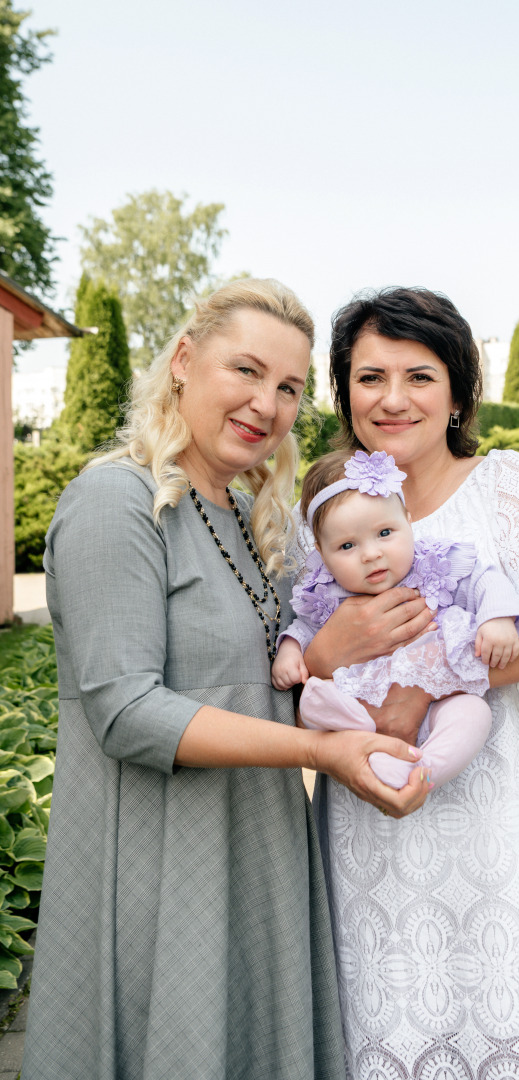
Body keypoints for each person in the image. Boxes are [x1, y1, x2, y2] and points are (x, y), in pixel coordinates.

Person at [21, 279, 431, 1080]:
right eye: (244, 370)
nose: (265, 404)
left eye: (287, 388)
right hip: (156, 868)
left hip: (255, 855)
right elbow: (128, 712)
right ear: (183, 360)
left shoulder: (252, 520)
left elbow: (252, 681)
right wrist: (326, 754)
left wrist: (330, 660)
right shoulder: (118, 501)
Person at [300, 287, 519, 1079]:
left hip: (514, 818)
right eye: (369, 378)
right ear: (343, 391)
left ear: (459, 390)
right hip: (376, 823)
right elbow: (297, 653)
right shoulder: (319, 508)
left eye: (419, 376)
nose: (393, 399)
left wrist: (425, 685)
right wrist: (329, 649)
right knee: (390, 1016)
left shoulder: (506, 482)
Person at [272, 448, 519, 789]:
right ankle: (365, 733)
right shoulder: (326, 591)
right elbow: (304, 627)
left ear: (408, 520)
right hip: (363, 702)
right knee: (313, 699)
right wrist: (290, 650)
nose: (371, 554)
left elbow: (484, 580)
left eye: (384, 533)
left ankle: (423, 770)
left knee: (474, 714)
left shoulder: (434, 565)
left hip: (440, 699)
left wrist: (496, 618)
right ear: (321, 552)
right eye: (347, 546)